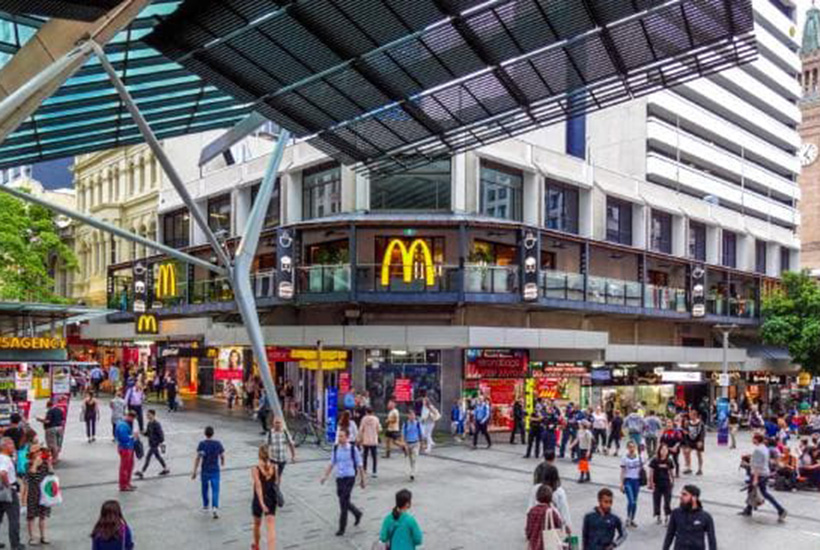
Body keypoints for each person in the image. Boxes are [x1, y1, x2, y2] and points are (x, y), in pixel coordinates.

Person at [320, 429, 365, 537]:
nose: (339, 438)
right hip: (339, 478)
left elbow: (360, 465)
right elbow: (331, 463)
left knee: (343, 503)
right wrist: (325, 476)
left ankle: (341, 528)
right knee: (344, 500)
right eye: (338, 436)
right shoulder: (335, 448)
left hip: (350, 477)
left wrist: (363, 480)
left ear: (347, 437)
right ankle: (357, 513)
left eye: (342, 436)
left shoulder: (353, 449)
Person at [740, 433, 787, 521]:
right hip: (764, 473)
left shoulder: (758, 450)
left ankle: (780, 509)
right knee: (752, 491)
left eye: (753, 438)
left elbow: (757, 465)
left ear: (756, 440)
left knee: (763, 493)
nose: (752, 440)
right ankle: (748, 509)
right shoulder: (765, 448)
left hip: (759, 474)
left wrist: (755, 479)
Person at [662, 485, 716, 550]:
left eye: (685, 494)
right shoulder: (675, 513)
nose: (681, 497)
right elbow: (669, 535)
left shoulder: (706, 517)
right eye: (681, 494)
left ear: (694, 497)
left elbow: (712, 540)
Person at [192, 426, 225, 519]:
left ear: (205, 433)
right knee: (215, 489)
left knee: (204, 488)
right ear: (213, 433)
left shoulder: (202, 444)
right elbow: (222, 455)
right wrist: (222, 462)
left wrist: (194, 471)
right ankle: (215, 507)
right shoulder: (218, 444)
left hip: (205, 470)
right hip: (215, 470)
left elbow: (198, 458)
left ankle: (206, 505)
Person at [251, 445, 278, 550]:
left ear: (259, 455)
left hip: (258, 499)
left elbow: (258, 486)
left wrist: (262, 503)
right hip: (271, 497)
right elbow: (276, 483)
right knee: (271, 527)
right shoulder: (275, 467)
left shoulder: (255, 469)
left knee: (257, 524)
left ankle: (256, 546)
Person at [26, 445, 53, 546]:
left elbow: (51, 475)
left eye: (40, 452)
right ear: (32, 455)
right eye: (37, 452)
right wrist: (35, 465)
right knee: (31, 516)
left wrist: (50, 464)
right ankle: (32, 537)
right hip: (33, 494)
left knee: (43, 516)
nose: (40, 453)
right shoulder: (28, 465)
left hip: (44, 494)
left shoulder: (45, 464)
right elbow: (30, 477)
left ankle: (43, 536)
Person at [526, 484, 565, 550]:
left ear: (537, 496)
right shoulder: (551, 511)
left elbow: (528, 531)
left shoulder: (532, 511)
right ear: (550, 497)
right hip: (548, 545)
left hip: (534, 545)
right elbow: (559, 525)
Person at [0, 437, 22, 550]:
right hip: (8, 490)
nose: (13, 447)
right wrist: (8, 485)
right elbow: (3, 473)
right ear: (4, 446)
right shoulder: (5, 459)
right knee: (14, 518)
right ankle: (15, 544)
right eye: (11, 444)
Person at [136, 409, 168, 479]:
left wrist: (159, 443)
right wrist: (143, 433)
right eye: (147, 415)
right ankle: (166, 469)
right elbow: (148, 434)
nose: (147, 416)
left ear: (153, 415)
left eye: (149, 414)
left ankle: (142, 472)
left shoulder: (156, 424)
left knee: (148, 457)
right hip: (151, 443)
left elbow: (161, 435)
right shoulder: (149, 423)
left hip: (154, 444)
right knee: (158, 457)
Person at [649, 443, 676, 524]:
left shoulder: (669, 461)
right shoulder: (655, 460)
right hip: (657, 483)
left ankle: (667, 516)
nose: (664, 452)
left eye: (665, 450)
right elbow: (651, 472)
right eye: (662, 450)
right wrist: (651, 483)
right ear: (659, 450)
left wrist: (672, 481)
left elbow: (671, 472)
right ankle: (658, 516)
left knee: (667, 501)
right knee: (657, 500)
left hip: (667, 483)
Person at [620, 440, 642, 528]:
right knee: (631, 501)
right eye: (629, 447)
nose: (631, 448)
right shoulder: (624, 458)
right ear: (627, 448)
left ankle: (632, 519)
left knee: (635, 502)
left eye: (633, 446)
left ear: (635, 447)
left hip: (636, 481)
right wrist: (621, 483)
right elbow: (622, 471)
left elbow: (641, 469)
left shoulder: (639, 457)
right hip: (628, 480)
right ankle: (628, 517)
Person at [115, 410, 138, 492]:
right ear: (130, 416)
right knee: (125, 467)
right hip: (125, 448)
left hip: (128, 447)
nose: (133, 420)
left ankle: (127, 483)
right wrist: (133, 436)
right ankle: (123, 485)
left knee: (129, 465)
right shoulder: (122, 425)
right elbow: (124, 438)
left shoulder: (124, 423)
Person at [358, 407, 381, 478]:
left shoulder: (364, 419)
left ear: (366, 412)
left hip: (366, 440)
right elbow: (378, 429)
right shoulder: (376, 419)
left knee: (365, 456)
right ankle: (374, 471)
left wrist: (360, 438)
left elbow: (361, 430)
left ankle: (364, 470)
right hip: (373, 440)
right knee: (374, 457)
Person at [402, 410, 423, 481]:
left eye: (413, 415)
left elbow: (421, 433)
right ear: (408, 416)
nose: (412, 417)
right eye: (410, 415)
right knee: (410, 459)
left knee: (414, 457)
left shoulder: (417, 424)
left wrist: (422, 443)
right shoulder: (405, 424)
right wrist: (404, 444)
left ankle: (413, 473)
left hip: (416, 443)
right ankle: (412, 470)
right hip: (408, 443)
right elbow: (403, 434)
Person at [683, 410, 705, 476]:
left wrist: (701, 441)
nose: (690, 416)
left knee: (699, 454)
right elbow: (686, 432)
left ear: (695, 415)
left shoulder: (700, 423)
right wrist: (686, 440)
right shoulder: (688, 423)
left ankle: (700, 469)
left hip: (698, 440)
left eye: (691, 415)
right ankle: (689, 467)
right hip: (690, 440)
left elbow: (702, 433)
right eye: (690, 415)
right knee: (687, 452)